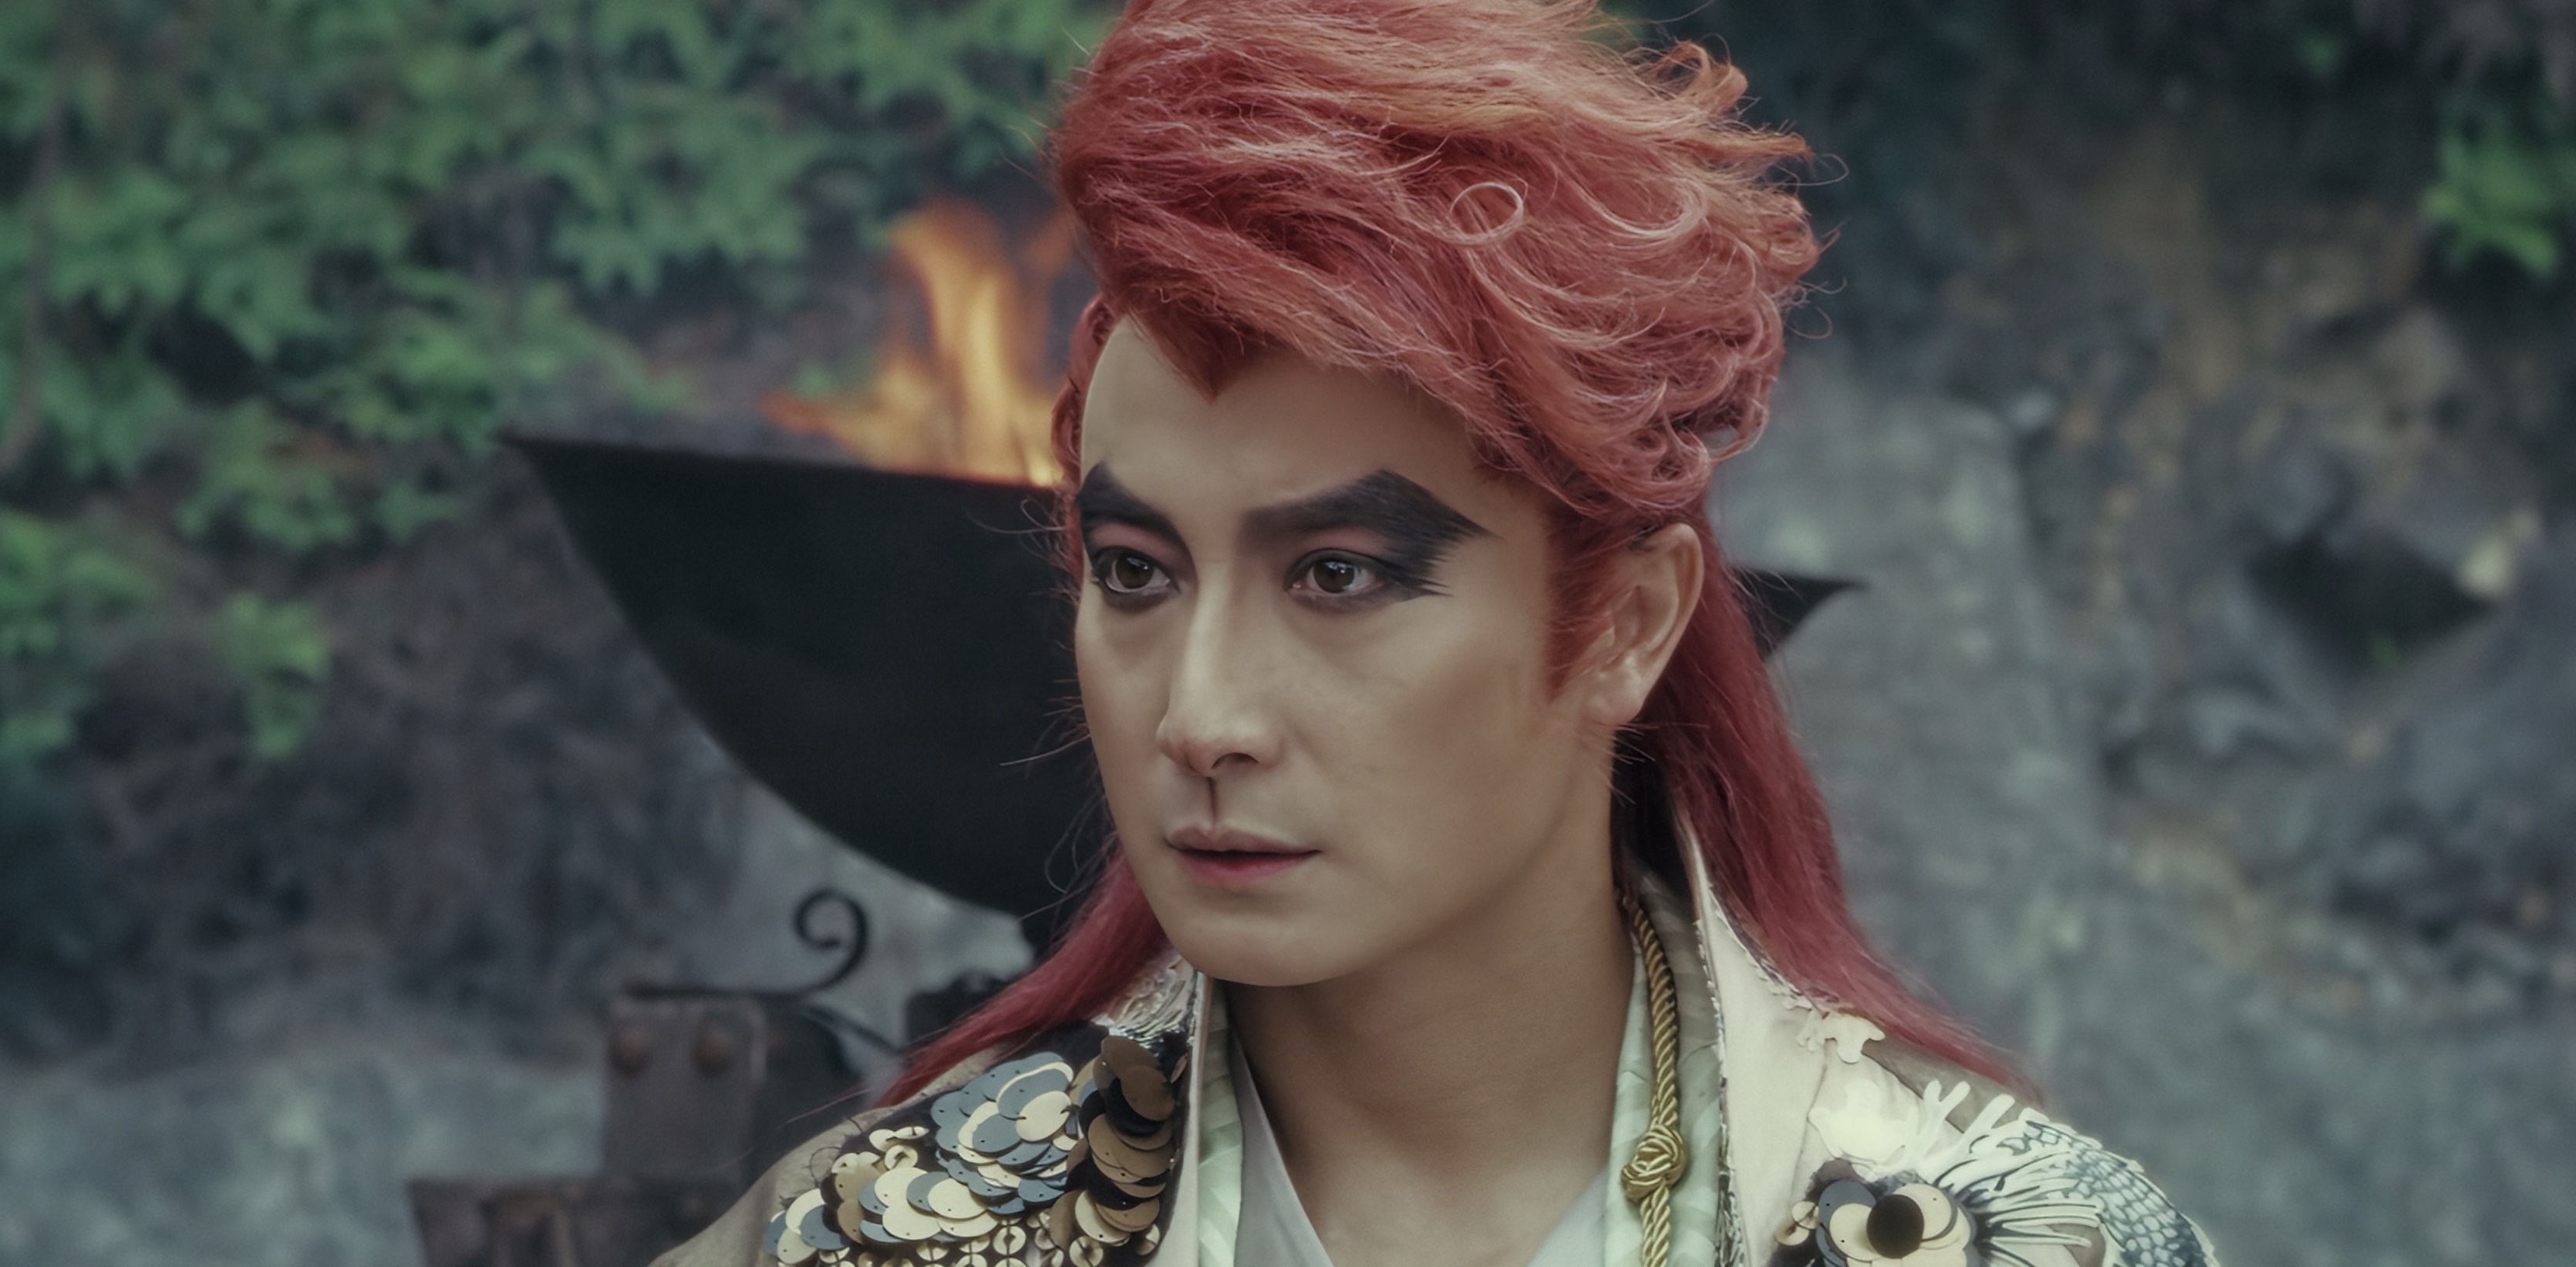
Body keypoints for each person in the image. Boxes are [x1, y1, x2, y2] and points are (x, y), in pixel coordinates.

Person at [663, 2, 2216, 1265]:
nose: (1201, 717)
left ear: (1627, 622)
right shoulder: (895, 1236)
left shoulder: (2000, 1239)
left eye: (1338, 576)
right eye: (1135, 572)